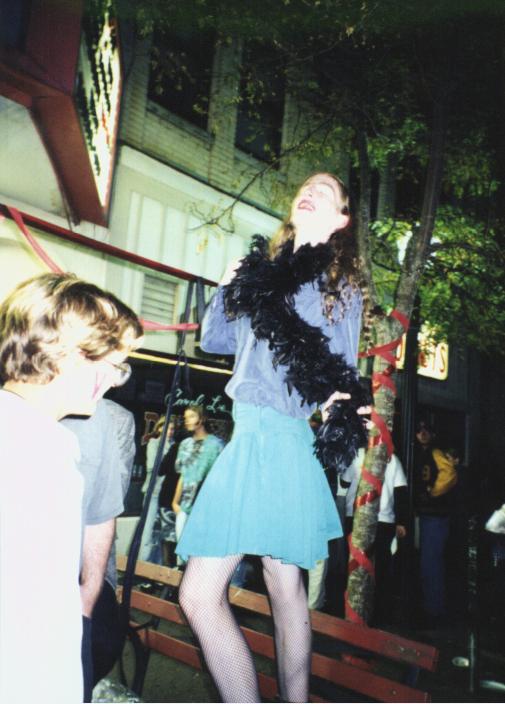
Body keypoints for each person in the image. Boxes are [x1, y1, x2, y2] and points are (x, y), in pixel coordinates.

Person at [176, 173, 369, 703]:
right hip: (247, 437)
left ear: (341, 219)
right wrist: (228, 285)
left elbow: (341, 371)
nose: (310, 191)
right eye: (306, 187)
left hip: (282, 439)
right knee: (279, 590)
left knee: (234, 594)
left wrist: (340, 407)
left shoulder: (338, 287)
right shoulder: (262, 275)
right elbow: (215, 340)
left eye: (325, 191)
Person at [0, 272, 143, 704]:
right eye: (113, 364)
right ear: (66, 352)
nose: (115, 380)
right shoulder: (27, 446)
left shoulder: (49, 439)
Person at [62, 398, 136, 700]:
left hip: (84, 562)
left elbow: (108, 504)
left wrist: (89, 590)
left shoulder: (114, 418)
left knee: (99, 643)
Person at [343, 448, 408, 625]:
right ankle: (378, 616)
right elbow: (401, 491)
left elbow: (344, 482)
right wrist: (402, 521)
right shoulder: (392, 458)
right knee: (381, 568)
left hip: (357, 517)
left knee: (357, 567)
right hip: (383, 519)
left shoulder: (357, 455)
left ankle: (356, 614)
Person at [414, 419, 458, 625]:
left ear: (433, 434)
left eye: (426, 430)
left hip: (435, 515)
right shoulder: (419, 453)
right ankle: (431, 607)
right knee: (428, 562)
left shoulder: (435, 452)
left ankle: (434, 611)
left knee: (431, 563)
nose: (422, 433)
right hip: (427, 515)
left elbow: (449, 473)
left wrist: (433, 493)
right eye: (419, 430)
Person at [172, 405, 223, 557]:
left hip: (206, 504)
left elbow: (220, 478)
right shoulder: (185, 444)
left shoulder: (216, 445)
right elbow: (183, 474)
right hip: (185, 504)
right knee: (182, 550)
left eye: (191, 416)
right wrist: (175, 502)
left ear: (202, 419)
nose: (187, 420)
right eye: (185, 417)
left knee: (200, 551)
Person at [139, 416, 172, 562]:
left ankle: (154, 565)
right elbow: (152, 466)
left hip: (167, 495)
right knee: (147, 529)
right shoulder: (154, 443)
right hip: (153, 492)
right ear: (159, 428)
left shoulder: (174, 446)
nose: (170, 431)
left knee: (161, 533)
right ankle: (141, 563)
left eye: (172, 428)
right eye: (167, 427)